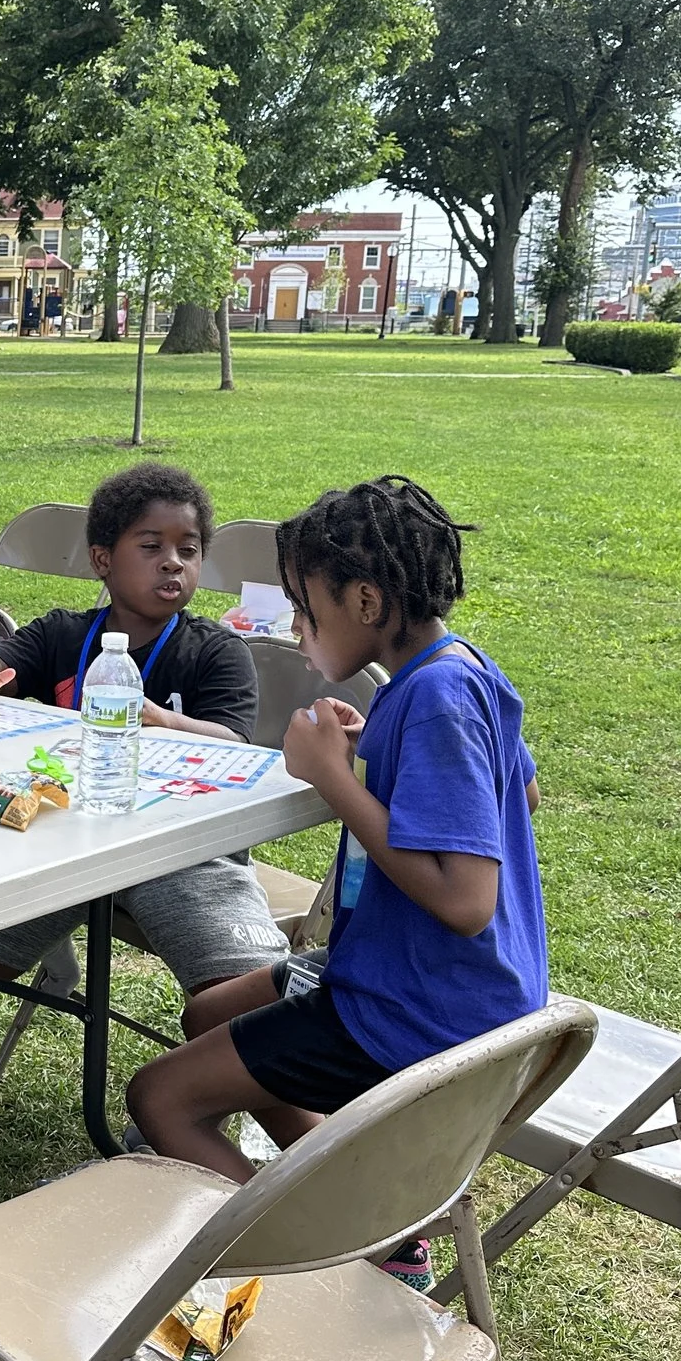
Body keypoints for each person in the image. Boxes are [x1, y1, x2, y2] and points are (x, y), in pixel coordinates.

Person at [125, 477, 545, 1289]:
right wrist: (380, 760)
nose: (295, 627)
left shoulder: (435, 697)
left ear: (363, 599)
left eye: (303, 606)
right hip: (443, 985)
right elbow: (517, 789)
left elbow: (466, 900)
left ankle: (316, 1264)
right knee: (209, 1010)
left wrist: (335, 779)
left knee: (161, 1099)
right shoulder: (457, 671)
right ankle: (362, 1209)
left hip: (417, 1010)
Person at [0, 461, 288, 1004]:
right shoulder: (64, 633)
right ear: (103, 560)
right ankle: (44, 947)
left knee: (241, 1001)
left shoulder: (217, 651)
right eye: (151, 547)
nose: (173, 563)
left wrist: (165, 722)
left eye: (188, 550)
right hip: (69, 838)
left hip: (183, 849)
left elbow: (235, 744)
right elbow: (2, 659)